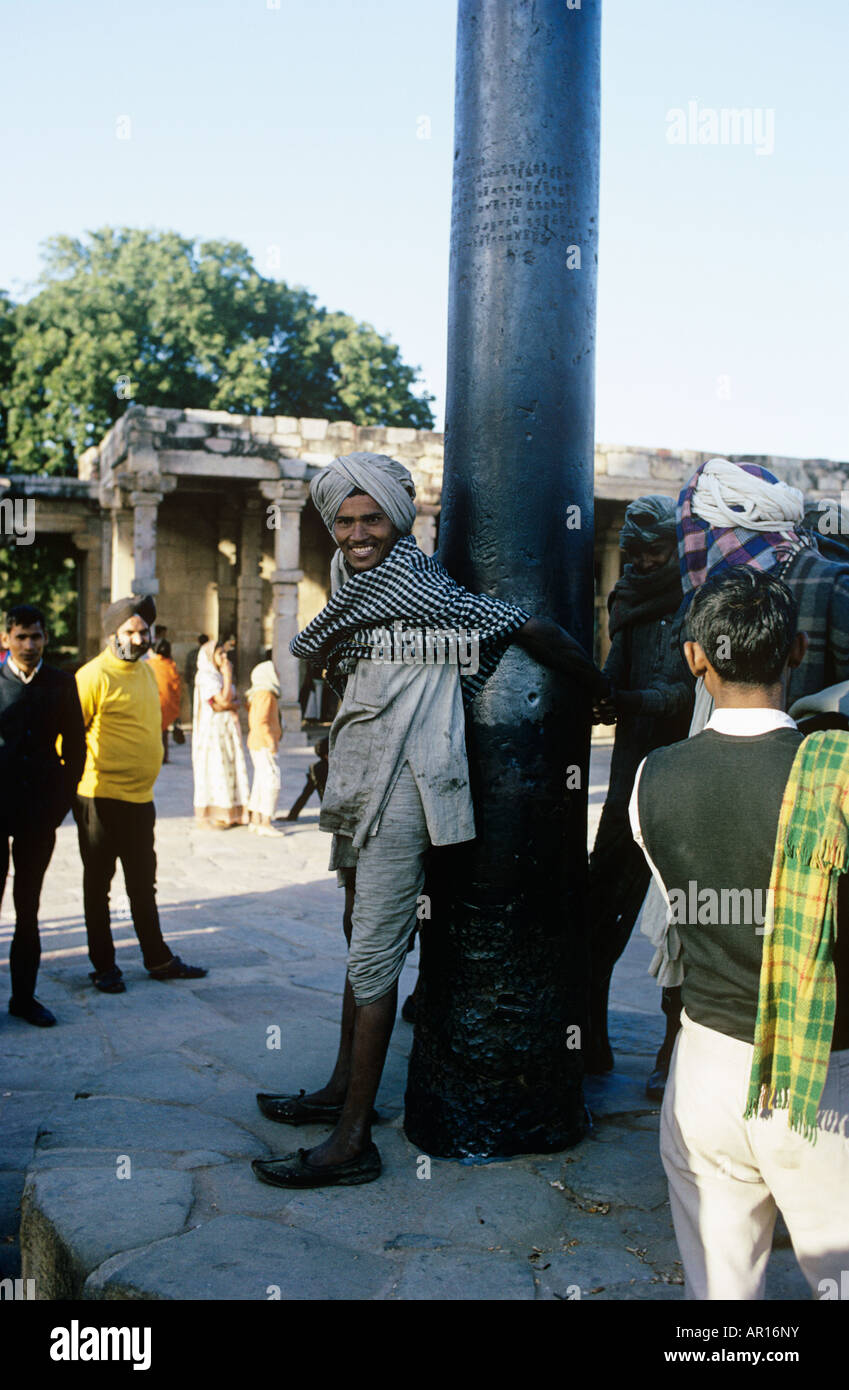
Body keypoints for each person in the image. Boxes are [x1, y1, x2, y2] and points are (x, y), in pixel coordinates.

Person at [251, 451, 609, 1190]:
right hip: (361, 776)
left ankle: (353, 1140)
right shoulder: (360, 582)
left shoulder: (413, 583)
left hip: (402, 786)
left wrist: (601, 690)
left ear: (397, 518)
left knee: (376, 953)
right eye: (345, 521)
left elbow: (528, 626)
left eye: (369, 518)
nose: (355, 532)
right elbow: (327, 652)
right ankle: (336, 1088)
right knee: (360, 939)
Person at [632, 567, 849, 1299]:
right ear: (795, 652)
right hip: (821, 1074)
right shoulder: (834, 777)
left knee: (721, 1300)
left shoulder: (651, 778)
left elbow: (682, 907)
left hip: (706, 1068)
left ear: (696, 657)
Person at [586, 497, 694, 1087]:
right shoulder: (626, 595)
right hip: (629, 773)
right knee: (601, 906)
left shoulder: (695, 599)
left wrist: (627, 700)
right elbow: (618, 669)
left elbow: (681, 692)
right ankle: (589, 1036)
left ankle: (671, 1049)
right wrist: (602, 692)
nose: (647, 560)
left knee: (680, 916)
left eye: (658, 550)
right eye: (637, 551)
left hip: (679, 772)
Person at [74, 595, 207, 992]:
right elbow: (69, 736)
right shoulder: (92, 676)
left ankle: (158, 959)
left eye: (143, 631)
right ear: (112, 634)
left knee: (142, 884)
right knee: (98, 886)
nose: (138, 639)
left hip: (141, 801)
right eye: (130, 632)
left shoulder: (148, 672)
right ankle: (104, 966)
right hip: (99, 799)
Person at [0, 604, 86, 1026]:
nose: (29, 645)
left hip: (39, 815)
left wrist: (59, 803)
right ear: (6, 639)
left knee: (28, 907)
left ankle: (24, 998)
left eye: (36, 637)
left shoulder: (60, 683)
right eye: (21, 637)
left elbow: (75, 748)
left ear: (45, 639)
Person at [191, 637, 250, 828]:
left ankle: (233, 812)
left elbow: (229, 702)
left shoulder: (217, 675)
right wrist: (227, 674)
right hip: (214, 732)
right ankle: (218, 812)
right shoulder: (207, 675)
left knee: (230, 768)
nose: (224, 657)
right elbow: (223, 701)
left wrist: (228, 703)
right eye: (220, 653)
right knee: (217, 769)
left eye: (225, 652)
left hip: (227, 729)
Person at [246, 658, 284, 836]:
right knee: (272, 781)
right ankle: (265, 822)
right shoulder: (265, 694)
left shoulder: (261, 693)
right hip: (263, 743)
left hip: (257, 742)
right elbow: (260, 721)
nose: (278, 674)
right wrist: (270, 742)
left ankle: (255, 820)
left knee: (261, 781)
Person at [147, 638, 182, 763]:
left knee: (152, 733)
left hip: (151, 704)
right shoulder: (171, 666)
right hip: (166, 704)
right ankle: (163, 756)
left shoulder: (148, 665)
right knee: (163, 732)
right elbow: (176, 688)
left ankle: (153, 756)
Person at [184, 634, 209, 709]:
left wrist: (187, 680)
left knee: (194, 704)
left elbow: (187, 668)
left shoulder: (192, 653)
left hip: (194, 681)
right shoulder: (210, 654)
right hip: (203, 682)